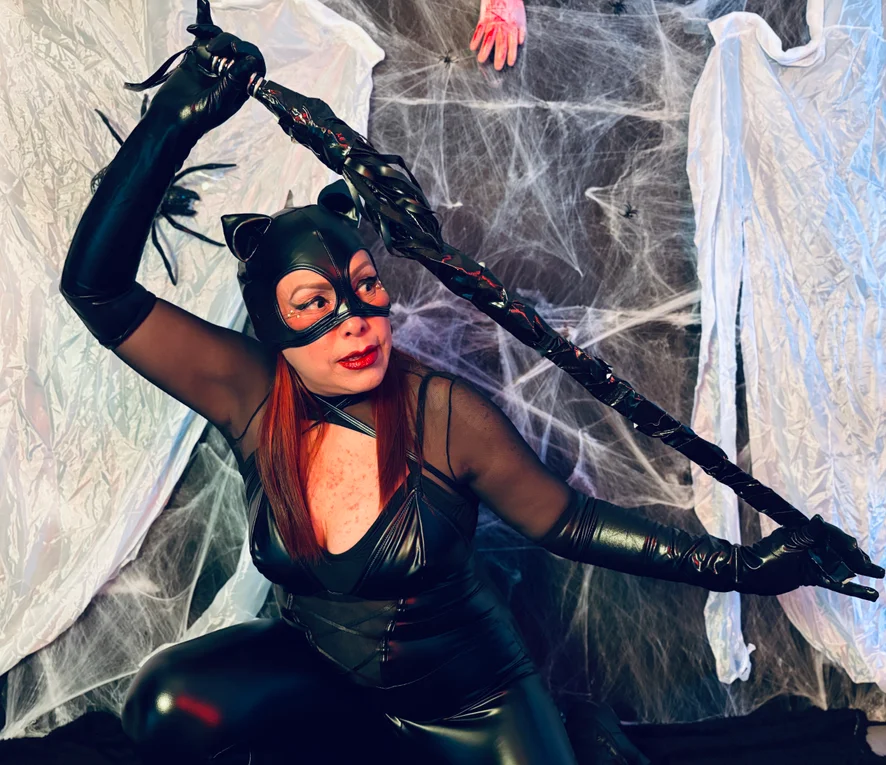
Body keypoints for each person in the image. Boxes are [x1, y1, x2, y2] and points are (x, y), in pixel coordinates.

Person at [60, 5, 883, 764]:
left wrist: (748, 566)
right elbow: (98, 291)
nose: (356, 322)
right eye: (315, 305)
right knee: (167, 703)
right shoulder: (248, 393)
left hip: (469, 702)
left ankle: (578, 734)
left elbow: (571, 522)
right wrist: (175, 117)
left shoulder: (444, 417)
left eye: (365, 289)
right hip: (318, 674)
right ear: (273, 327)